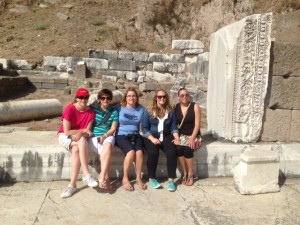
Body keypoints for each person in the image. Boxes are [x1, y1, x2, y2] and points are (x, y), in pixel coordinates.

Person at [58, 88, 98, 198]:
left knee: (76, 149)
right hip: (65, 136)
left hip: (79, 139)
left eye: (85, 97)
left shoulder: (90, 113)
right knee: (82, 139)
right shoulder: (70, 109)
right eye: (81, 97)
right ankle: (86, 174)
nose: (83, 100)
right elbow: (66, 131)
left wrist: (81, 134)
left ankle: (72, 185)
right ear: (76, 98)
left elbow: (88, 131)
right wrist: (82, 132)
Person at [142, 89, 180, 192]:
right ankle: (152, 178)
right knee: (153, 153)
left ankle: (171, 180)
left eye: (164, 96)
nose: (162, 98)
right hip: (151, 136)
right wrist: (152, 139)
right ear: (156, 98)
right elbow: (144, 128)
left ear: (166, 98)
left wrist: (176, 138)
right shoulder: (148, 111)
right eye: (159, 97)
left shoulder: (170, 111)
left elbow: (173, 127)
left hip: (166, 136)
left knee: (172, 152)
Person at [115, 88, 147, 191]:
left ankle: (138, 178)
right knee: (131, 152)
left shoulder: (141, 109)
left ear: (136, 98)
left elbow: (146, 124)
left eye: (133, 96)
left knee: (139, 152)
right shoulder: (119, 108)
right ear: (126, 97)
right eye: (129, 96)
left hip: (135, 134)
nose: (131, 98)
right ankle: (125, 178)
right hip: (121, 134)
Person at [88, 89, 118, 191]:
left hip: (108, 134)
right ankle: (107, 178)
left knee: (108, 145)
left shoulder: (114, 111)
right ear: (99, 99)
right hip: (94, 136)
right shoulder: (93, 108)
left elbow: (113, 128)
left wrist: (105, 136)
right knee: (106, 154)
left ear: (110, 99)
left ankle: (102, 175)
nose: (105, 100)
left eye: (108, 98)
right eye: (103, 98)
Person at [175, 88, 202, 186]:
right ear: (178, 97)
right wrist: (176, 138)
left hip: (194, 135)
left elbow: (197, 125)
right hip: (182, 135)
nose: (184, 97)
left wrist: (192, 138)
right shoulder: (176, 107)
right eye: (182, 95)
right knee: (178, 148)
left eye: (186, 95)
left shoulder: (195, 106)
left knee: (188, 149)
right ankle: (184, 172)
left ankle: (190, 174)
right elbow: (174, 125)